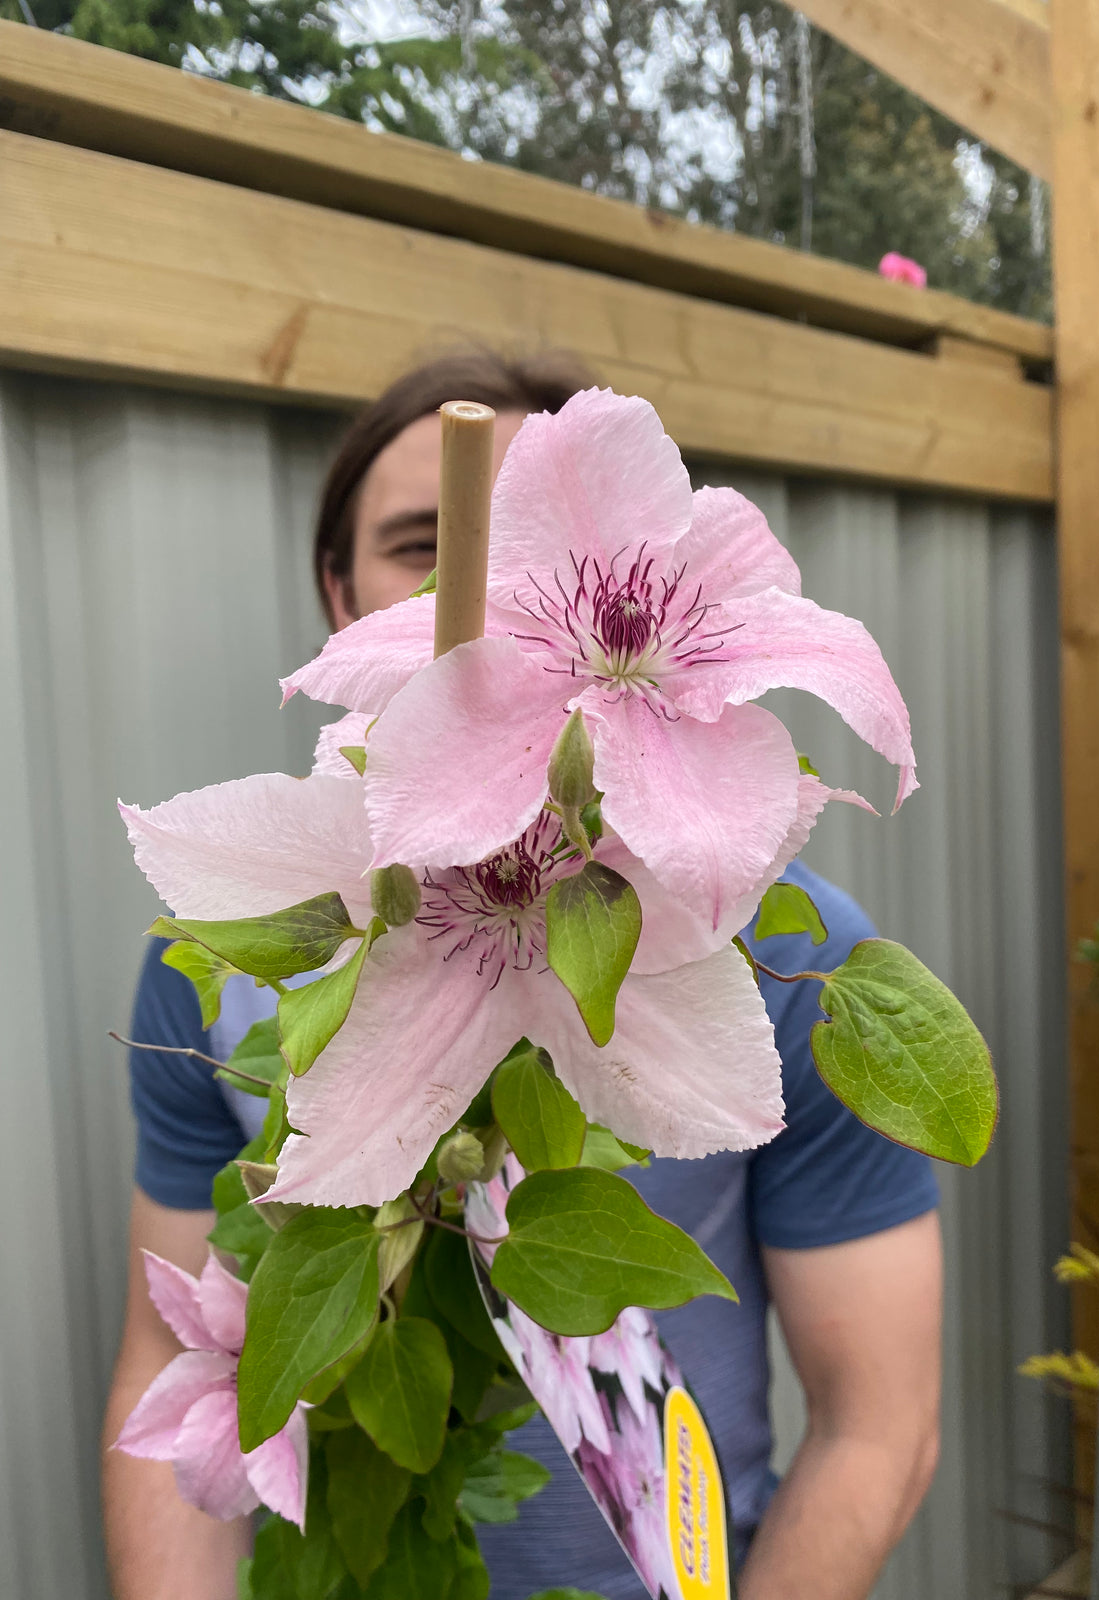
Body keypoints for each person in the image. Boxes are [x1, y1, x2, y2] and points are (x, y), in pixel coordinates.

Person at [102, 349, 943, 1600]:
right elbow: (167, 1359)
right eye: (427, 546)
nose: (482, 589)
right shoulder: (233, 939)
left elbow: (881, 1426)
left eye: (511, 546)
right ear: (342, 593)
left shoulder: (780, 943)